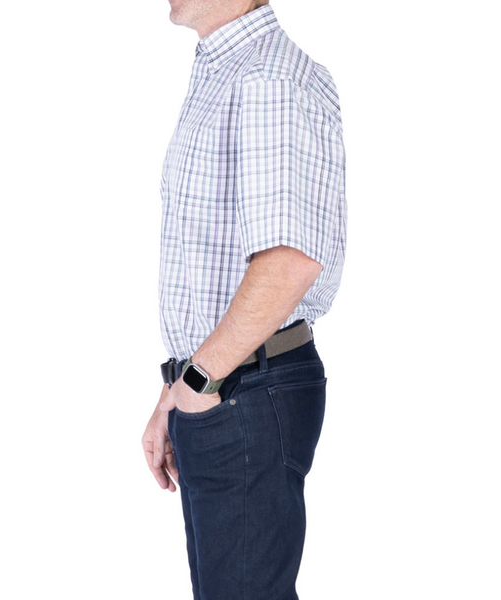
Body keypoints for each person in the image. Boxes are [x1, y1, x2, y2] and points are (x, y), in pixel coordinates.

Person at [142, 1, 346, 598]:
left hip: (243, 390)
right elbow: (216, 260)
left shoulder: (266, 79)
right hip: (226, 385)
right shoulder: (227, 70)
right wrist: (177, 388)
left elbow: (289, 261)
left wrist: (199, 380)